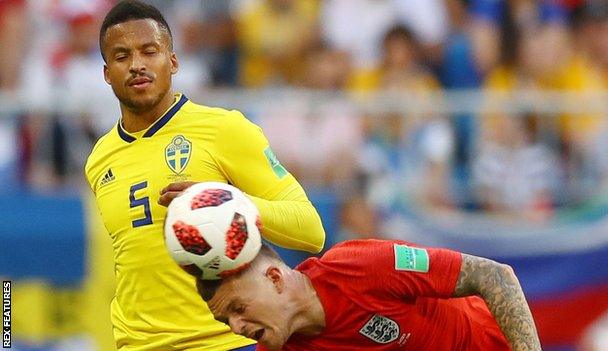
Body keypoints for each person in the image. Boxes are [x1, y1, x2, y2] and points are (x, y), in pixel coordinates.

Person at [84, 1, 325, 350]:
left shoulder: (225, 129)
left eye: (149, 52)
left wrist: (227, 203)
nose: (136, 65)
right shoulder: (99, 158)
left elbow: (310, 230)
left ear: (173, 61)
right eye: (122, 57)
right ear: (107, 73)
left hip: (226, 342)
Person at [198, 240, 542, 351]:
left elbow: (495, 275)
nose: (236, 327)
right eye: (225, 320)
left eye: (237, 308)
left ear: (274, 278)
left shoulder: (361, 267)